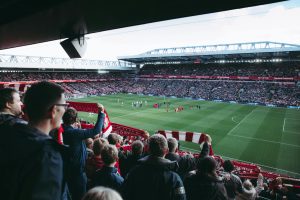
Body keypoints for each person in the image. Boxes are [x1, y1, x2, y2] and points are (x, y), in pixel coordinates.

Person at [0, 81, 68, 200]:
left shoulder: (7, 132)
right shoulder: (47, 154)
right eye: (64, 106)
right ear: (53, 111)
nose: (65, 110)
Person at [122, 134, 186, 200]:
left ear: (148, 149)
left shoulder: (133, 172)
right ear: (167, 151)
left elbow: (125, 194)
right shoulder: (174, 178)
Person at [62, 105, 105, 200]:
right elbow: (96, 130)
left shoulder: (61, 130)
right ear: (75, 119)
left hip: (66, 171)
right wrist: (101, 113)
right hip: (77, 174)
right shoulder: (75, 133)